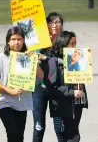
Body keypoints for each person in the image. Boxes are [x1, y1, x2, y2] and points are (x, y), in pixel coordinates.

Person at [0, 26, 44, 142]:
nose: (16, 42)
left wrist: (33, 59)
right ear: (8, 42)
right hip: (5, 101)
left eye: (19, 39)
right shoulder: (0, 58)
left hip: (22, 101)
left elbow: (41, 76)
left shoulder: (28, 57)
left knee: (19, 136)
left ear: (23, 41)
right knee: (12, 132)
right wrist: (10, 90)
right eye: (13, 39)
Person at [46, 31, 88, 142]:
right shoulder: (53, 62)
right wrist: (71, 92)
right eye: (71, 44)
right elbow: (52, 88)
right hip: (60, 105)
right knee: (66, 135)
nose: (75, 47)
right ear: (63, 44)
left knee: (74, 134)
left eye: (75, 43)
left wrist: (81, 87)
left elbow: (81, 80)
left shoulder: (77, 59)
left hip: (76, 104)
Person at [32, 12, 66, 142]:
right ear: (46, 25)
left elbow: (71, 62)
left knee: (60, 128)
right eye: (51, 22)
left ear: (62, 25)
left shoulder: (66, 41)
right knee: (38, 127)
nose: (55, 25)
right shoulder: (39, 42)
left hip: (59, 89)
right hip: (39, 87)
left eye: (58, 22)